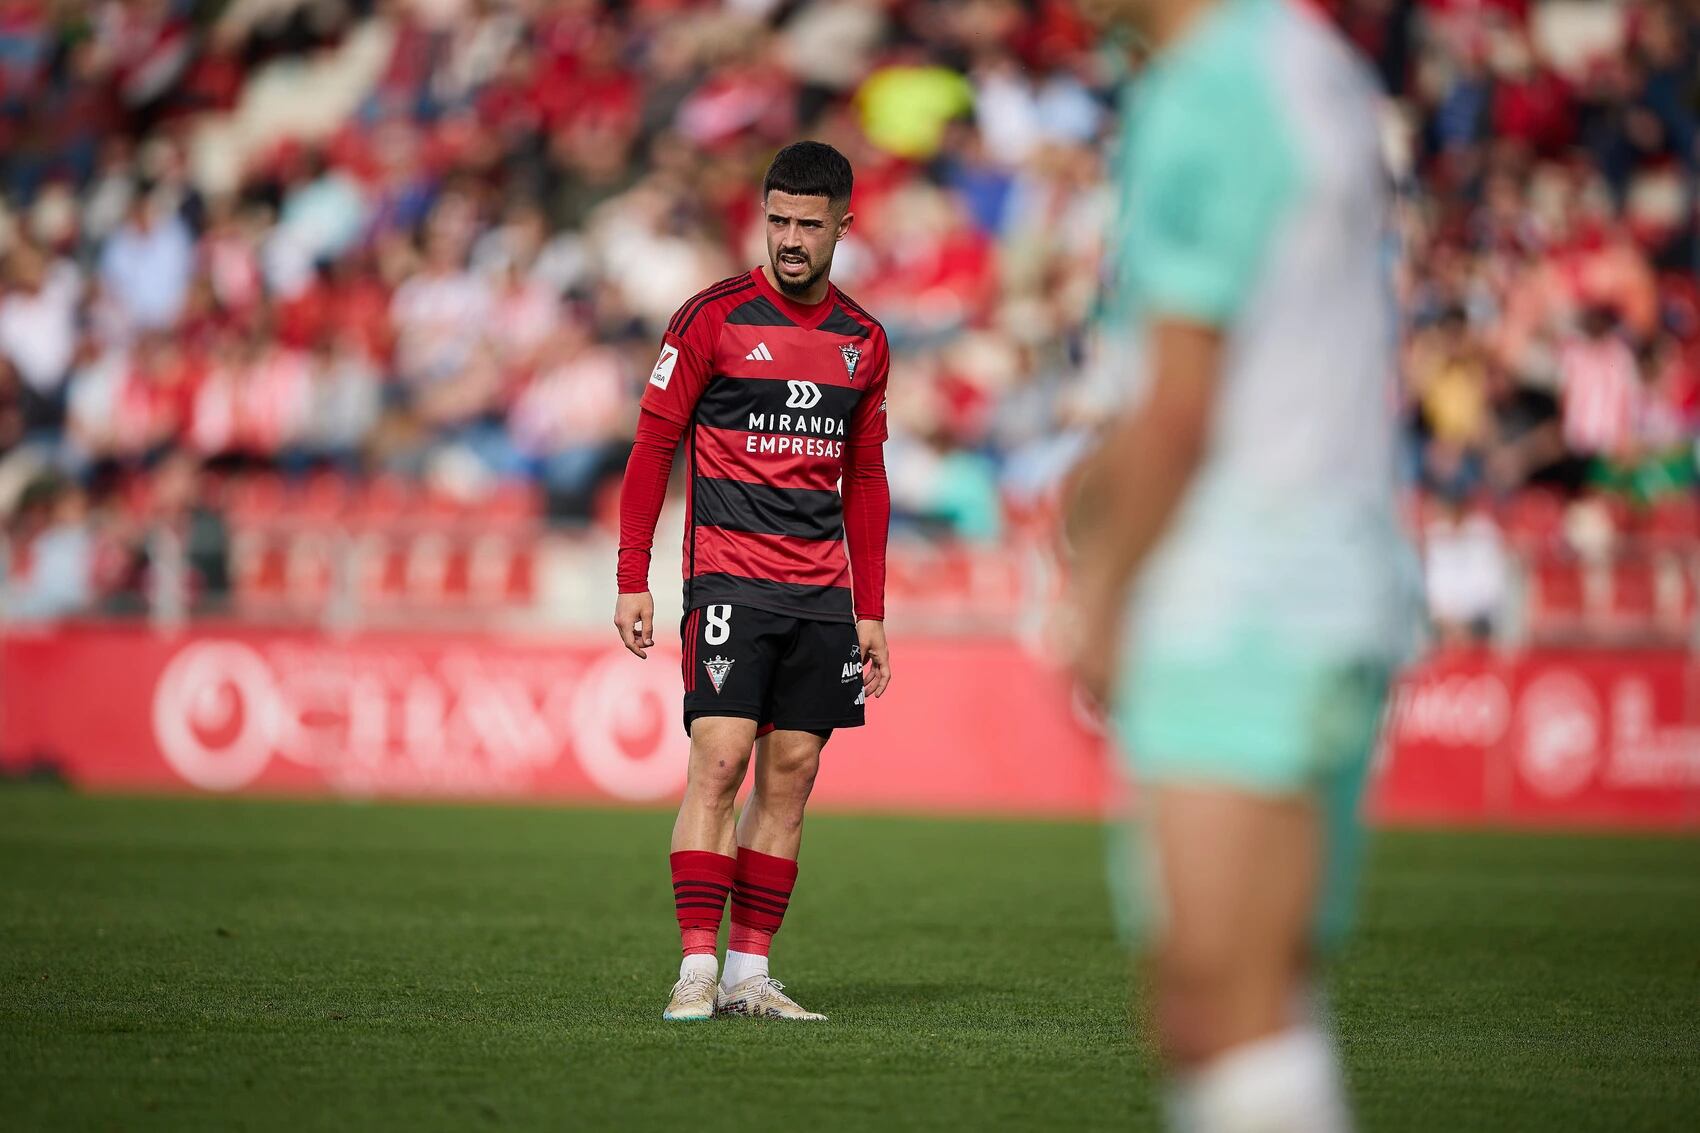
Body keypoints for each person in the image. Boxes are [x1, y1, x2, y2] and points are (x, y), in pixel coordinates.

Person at [1066, 0, 1415, 1129]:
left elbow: (1181, 406)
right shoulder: (1314, 64)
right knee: (1260, 998)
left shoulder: (1203, 89)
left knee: (1214, 1002)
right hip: (1338, 568)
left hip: (1237, 589)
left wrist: (1099, 589)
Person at [614, 141, 893, 1022]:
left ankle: (747, 973)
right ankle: (695, 966)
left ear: (844, 225)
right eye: (778, 220)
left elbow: (866, 480)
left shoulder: (863, 342)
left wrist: (872, 610)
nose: (790, 239)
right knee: (722, 758)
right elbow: (653, 444)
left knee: (793, 774)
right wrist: (635, 575)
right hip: (729, 576)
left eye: (809, 224)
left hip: (821, 593)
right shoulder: (710, 319)